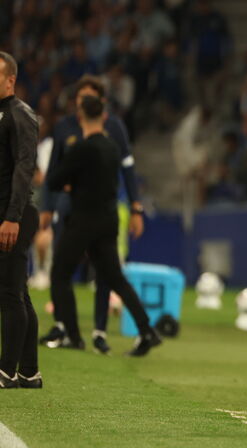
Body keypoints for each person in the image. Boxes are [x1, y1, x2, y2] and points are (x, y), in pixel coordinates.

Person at [45, 95, 161, 357]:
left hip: (83, 219)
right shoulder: (112, 147)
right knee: (115, 278)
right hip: (108, 220)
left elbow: (53, 180)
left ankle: (73, 335)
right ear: (104, 117)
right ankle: (146, 330)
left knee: (60, 273)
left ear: (80, 117)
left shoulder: (82, 148)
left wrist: (70, 182)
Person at [0, 52, 41, 388]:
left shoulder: (20, 115)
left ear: (10, 80)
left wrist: (12, 217)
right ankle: (29, 372)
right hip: (4, 214)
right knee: (18, 294)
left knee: (10, 294)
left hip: (14, 215)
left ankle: (6, 371)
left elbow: (25, 168)